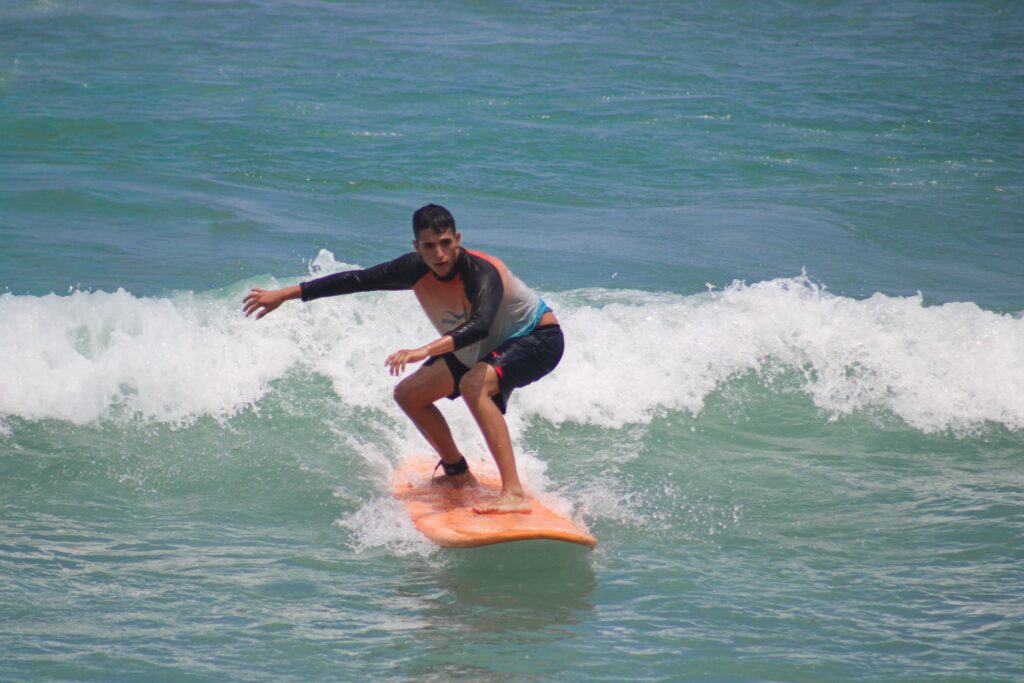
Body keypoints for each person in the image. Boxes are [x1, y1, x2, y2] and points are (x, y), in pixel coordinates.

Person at [242, 204, 563, 514]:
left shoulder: (481, 273)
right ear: (417, 246)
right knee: (409, 395)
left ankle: (513, 494)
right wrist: (285, 294)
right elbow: (357, 280)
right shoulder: (413, 269)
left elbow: (479, 325)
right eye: (429, 246)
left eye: (445, 243)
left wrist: (424, 350)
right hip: (479, 346)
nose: (439, 254)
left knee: (473, 384)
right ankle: (457, 473)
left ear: (458, 240)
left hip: (536, 338)